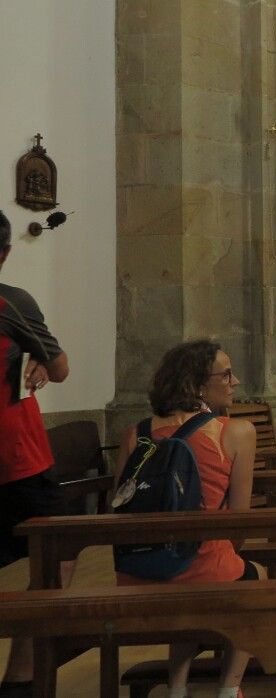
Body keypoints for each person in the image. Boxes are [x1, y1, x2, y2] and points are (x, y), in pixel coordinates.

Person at [115, 339, 263, 698]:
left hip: (138, 575)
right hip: (204, 571)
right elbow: (239, 525)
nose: (236, 382)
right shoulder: (235, 432)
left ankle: (177, 688)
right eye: (226, 374)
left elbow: (116, 508)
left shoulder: (137, 434)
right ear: (197, 385)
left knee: (182, 570)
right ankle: (229, 689)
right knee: (256, 576)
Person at [0, 210, 72, 698]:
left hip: (16, 458)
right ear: (5, 253)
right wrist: (42, 363)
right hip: (15, 457)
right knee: (58, 558)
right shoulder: (11, 301)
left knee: (55, 557)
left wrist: (33, 364)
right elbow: (61, 366)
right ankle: (22, 676)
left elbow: (45, 366)